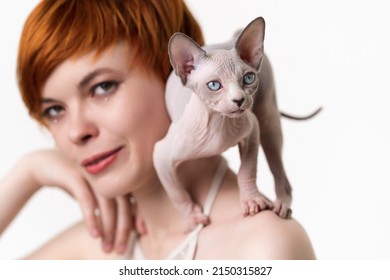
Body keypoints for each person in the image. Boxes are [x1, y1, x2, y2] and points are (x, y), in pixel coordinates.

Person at [0, 0, 315, 259]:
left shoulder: (262, 248)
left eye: (102, 87)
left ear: (177, 71)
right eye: (54, 110)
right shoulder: (98, 244)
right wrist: (30, 173)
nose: (75, 132)